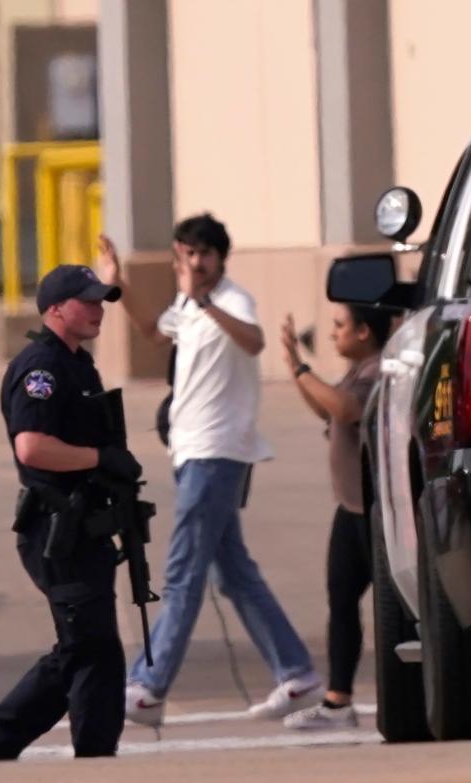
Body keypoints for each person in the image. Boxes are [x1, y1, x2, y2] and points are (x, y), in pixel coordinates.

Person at [100, 215, 323, 727]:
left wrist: (203, 301)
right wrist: (120, 286)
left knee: (182, 574)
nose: (194, 264)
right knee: (234, 573)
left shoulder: (230, 300)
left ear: (221, 257)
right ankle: (296, 674)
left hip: (217, 452)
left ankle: (148, 688)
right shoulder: (187, 303)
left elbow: (254, 341)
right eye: (186, 254)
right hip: (193, 452)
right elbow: (154, 334)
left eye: (203, 254)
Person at [0, 264, 140, 761]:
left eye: (101, 300)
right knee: (86, 649)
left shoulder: (78, 364)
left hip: (85, 527)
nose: (99, 310)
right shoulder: (41, 369)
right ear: (56, 309)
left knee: (91, 648)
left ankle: (83, 752)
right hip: (57, 530)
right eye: (88, 301)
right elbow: (31, 447)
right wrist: (100, 459)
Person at [278, 303, 391, 730]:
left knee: (389, 605)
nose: (333, 334)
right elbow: (329, 411)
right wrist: (294, 368)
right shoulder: (357, 369)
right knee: (341, 598)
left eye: (340, 326)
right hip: (351, 507)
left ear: (364, 332)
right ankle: (337, 702)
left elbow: (347, 410)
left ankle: (401, 688)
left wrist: (304, 370)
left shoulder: (376, 370)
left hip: (375, 511)